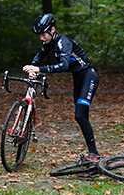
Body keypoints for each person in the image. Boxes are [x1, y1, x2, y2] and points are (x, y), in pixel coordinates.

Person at [23, 13, 101, 161]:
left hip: (89, 76)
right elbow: (39, 58)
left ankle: (94, 154)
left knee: (80, 115)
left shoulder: (63, 42)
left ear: (52, 30)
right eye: (39, 35)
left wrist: (39, 69)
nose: (41, 38)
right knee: (81, 116)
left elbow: (63, 65)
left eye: (43, 34)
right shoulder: (48, 44)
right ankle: (93, 153)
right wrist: (32, 68)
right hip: (78, 77)